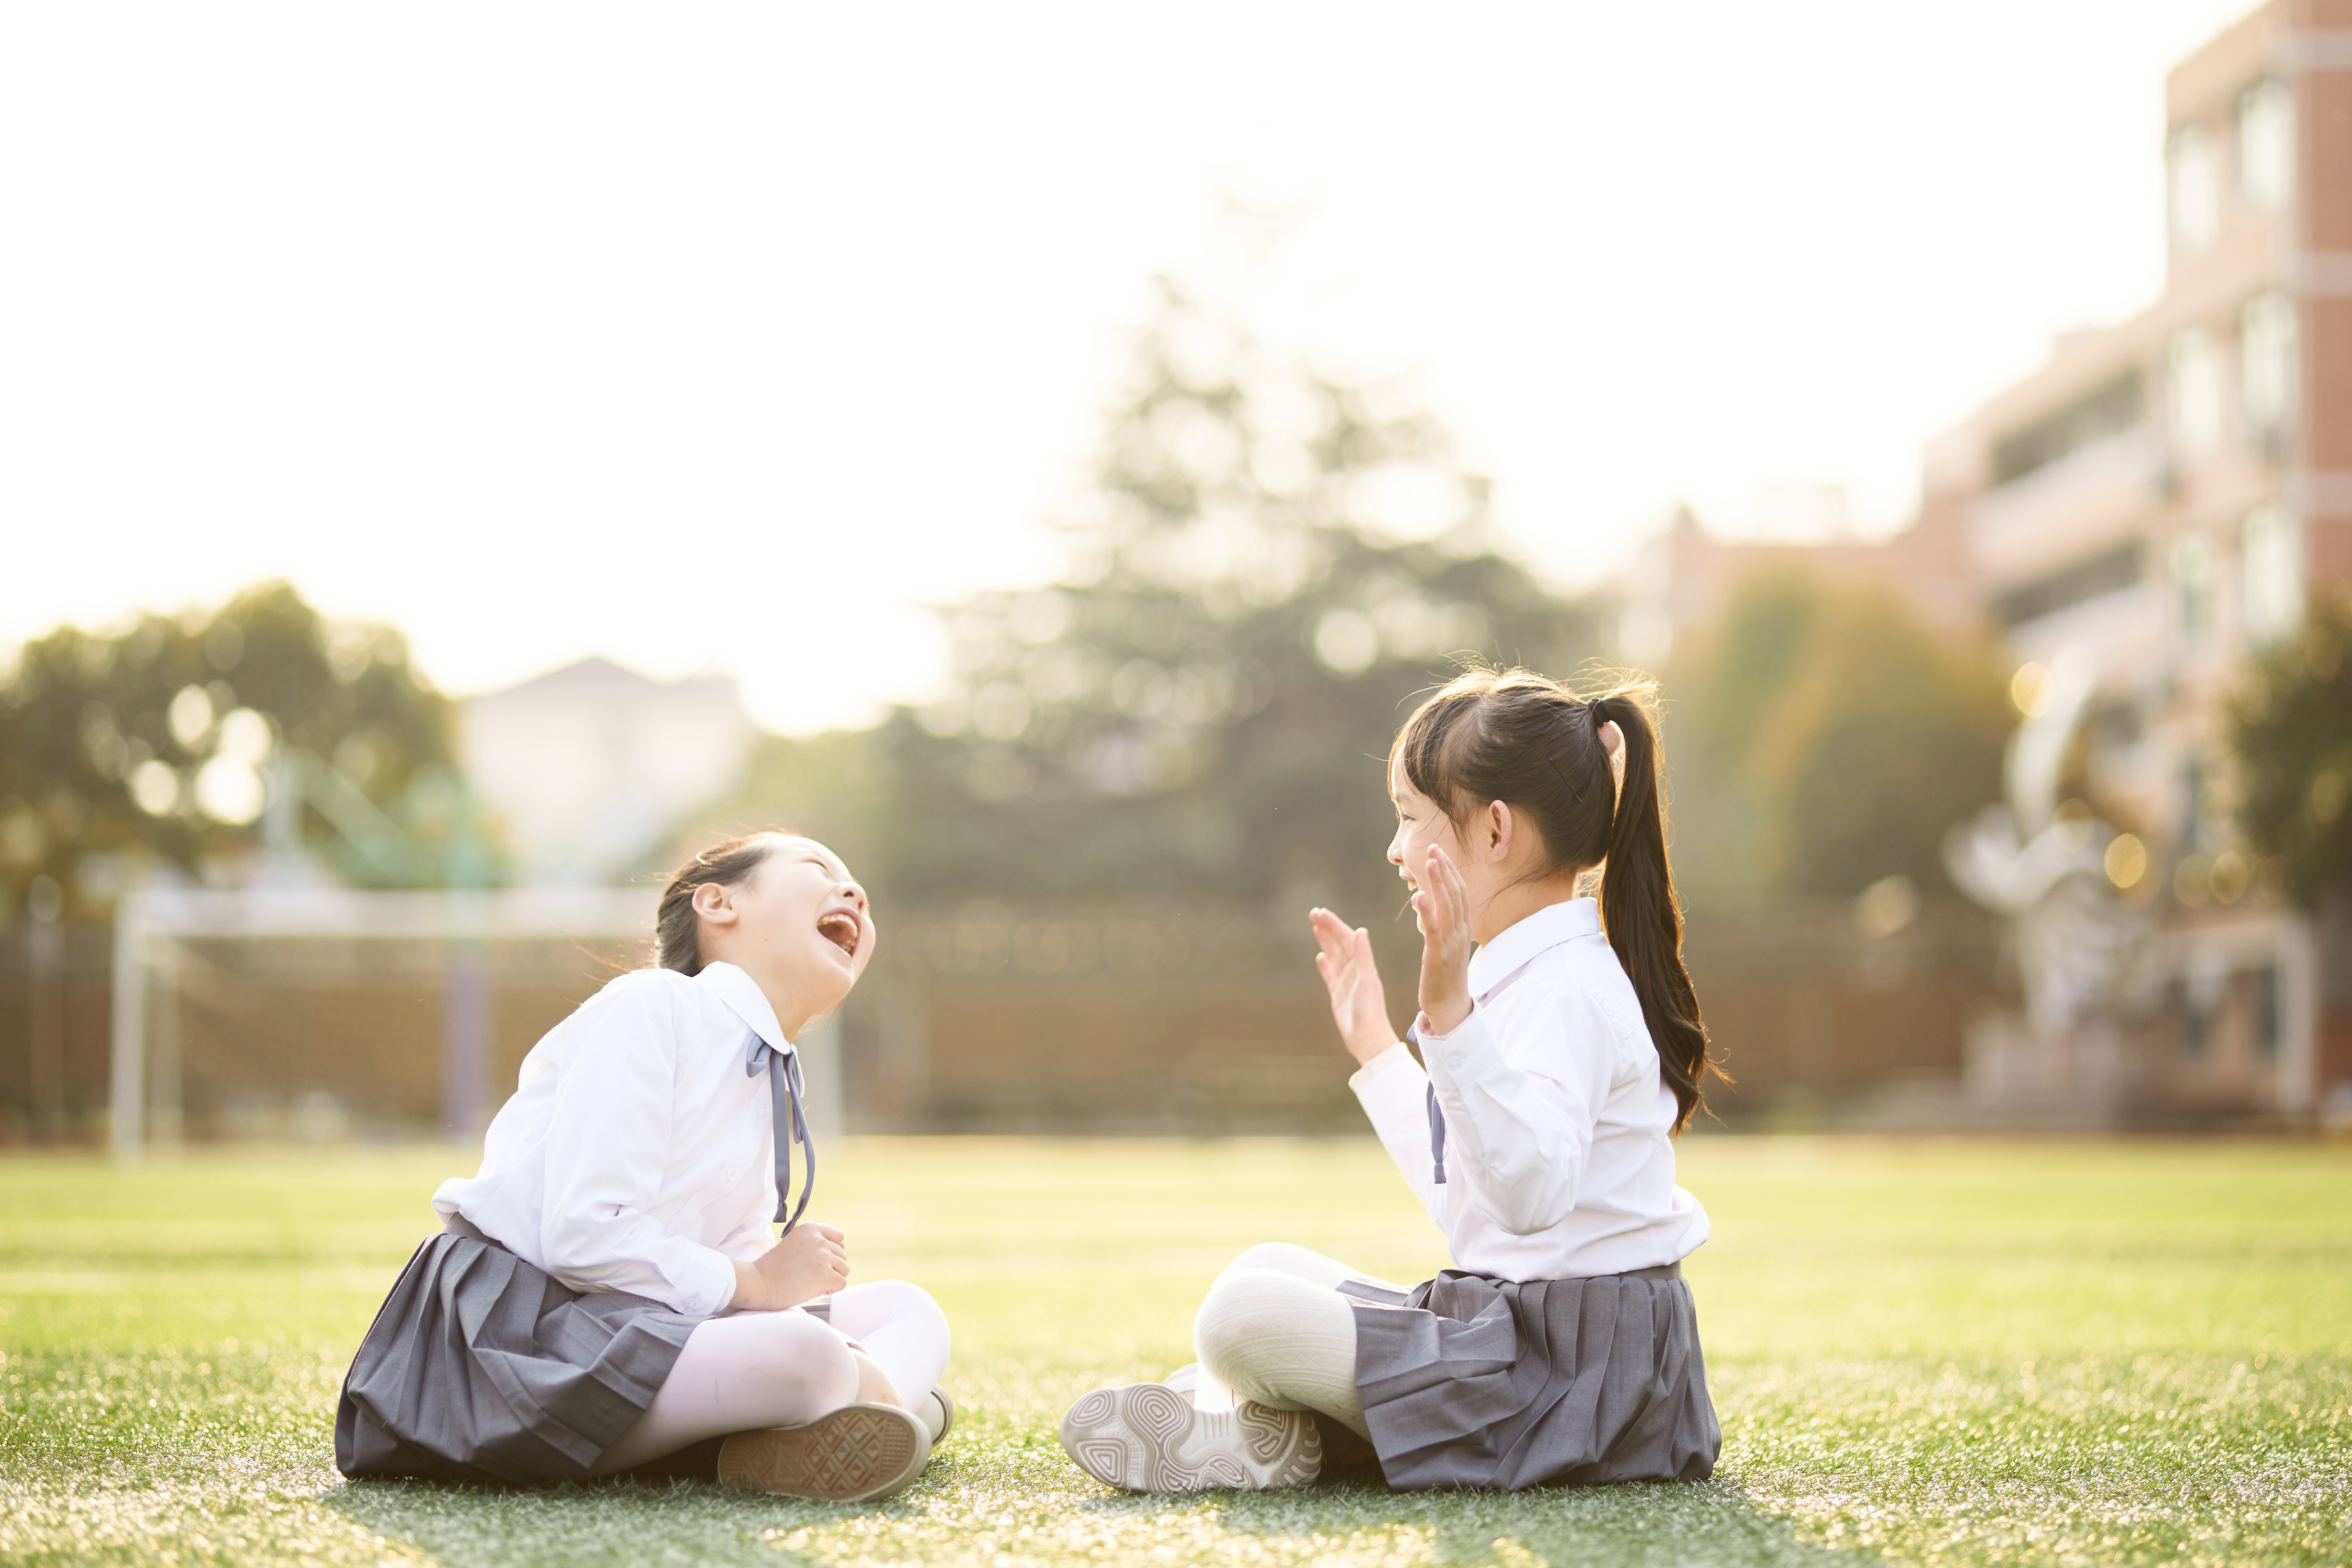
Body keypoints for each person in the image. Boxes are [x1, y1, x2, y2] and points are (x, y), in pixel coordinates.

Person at [1059, 668, 1723, 1491]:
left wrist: (1447, 1016)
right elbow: (1472, 1203)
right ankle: (1265, 1427)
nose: (1394, 848)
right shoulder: (1524, 976)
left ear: (1494, 832)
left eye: (1410, 819)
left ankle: (1252, 1424)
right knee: (1263, 1266)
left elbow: (1531, 1198)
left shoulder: (1567, 991)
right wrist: (1380, 1046)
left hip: (1575, 1381)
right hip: (1516, 1332)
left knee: (1241, 1319)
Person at [337, 832, 954, 1500]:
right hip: (524, 1332)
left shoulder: (769, 1072)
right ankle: (895, 1412)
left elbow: (728, 1283)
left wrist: (761, 1291)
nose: (854, 893)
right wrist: (759, 1282)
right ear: (717, 904)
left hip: (637, 1318)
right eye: (817, 868)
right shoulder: (654, 1005)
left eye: (856, 884)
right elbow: (583, 1237)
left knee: (908, 1312)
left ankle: (843, 1417)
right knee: (813, 1357)